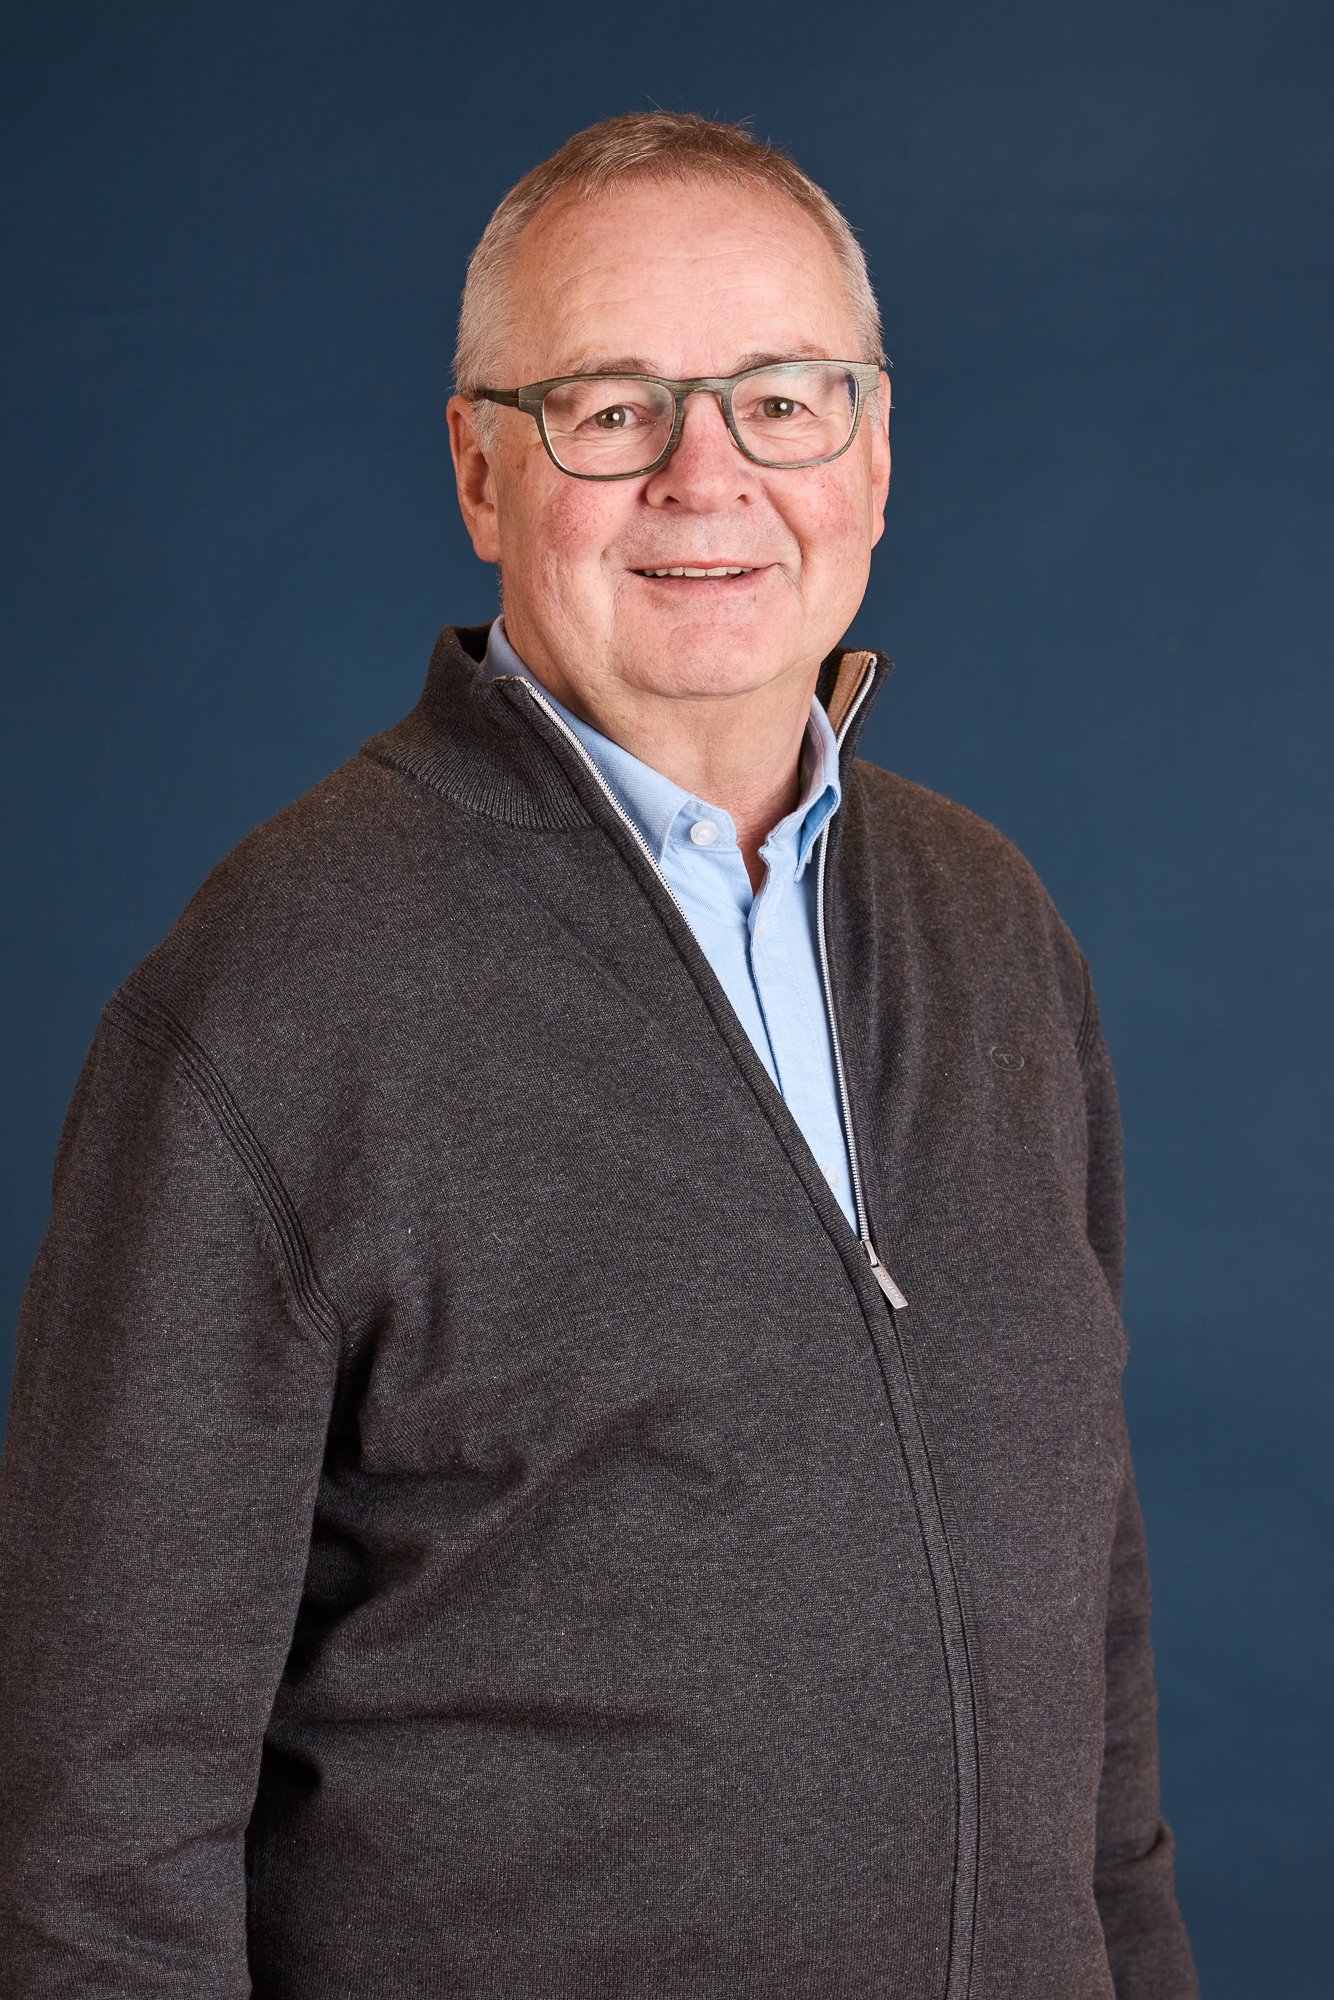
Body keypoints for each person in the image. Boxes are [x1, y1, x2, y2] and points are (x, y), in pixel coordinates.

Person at [0, 111, 1198, 1999]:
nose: (705, 479)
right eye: (611, 408)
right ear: (480, 468)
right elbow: (95, 1835)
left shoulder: (991, 930)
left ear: (872, 457)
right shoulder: (273, 992)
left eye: (781, 402)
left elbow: (1090, 1682)